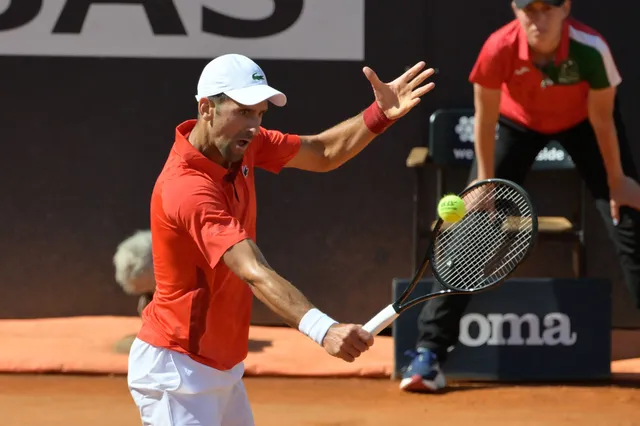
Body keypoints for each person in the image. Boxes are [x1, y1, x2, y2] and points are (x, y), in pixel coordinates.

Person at [126, 53, 435, 425]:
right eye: (242, 111)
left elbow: (322, 152)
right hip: (178, 373)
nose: (254, 125)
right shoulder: (187, 188)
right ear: (206, 108)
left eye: (260, 114)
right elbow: (252, 269)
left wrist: (379, 114)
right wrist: (324, 329)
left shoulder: (243, 143)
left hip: (221, 365)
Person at [400, 0, 640, 393]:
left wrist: (617, 182)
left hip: (585, 124)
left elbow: (602, 120)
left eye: (548, 8)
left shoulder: (590, 48)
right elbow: (487, 118)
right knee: (472, 227)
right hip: (517, 125)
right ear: (516, 9)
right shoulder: (498, 48)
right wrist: (485, 185)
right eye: (530, 9)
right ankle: (429, 354)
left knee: (628, 219)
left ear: (566, 9)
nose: (538, 19)